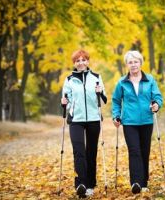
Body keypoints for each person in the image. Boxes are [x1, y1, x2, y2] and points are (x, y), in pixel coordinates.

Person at [112, 50, 163, 194]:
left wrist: (157, 105)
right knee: (134, 151)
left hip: (147, 120)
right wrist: (116, 115)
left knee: (144, 151)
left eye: (136, 61)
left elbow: (158, 97)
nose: (133, 65)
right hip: (129, 122)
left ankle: (144, 182)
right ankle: (136, 182)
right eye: (130, 62)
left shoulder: (150, 80)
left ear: (140, 63)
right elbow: (116, 101)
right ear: (127, 65)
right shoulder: (122, 82)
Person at [61, 50, 107, 197]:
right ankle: (81, 183)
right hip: (76, 120)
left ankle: (90, 184)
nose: (81, 62)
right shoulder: (69, 79)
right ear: (74, 63)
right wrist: (64, 103)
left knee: (91, 152)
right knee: (79, 150)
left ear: (88, 61)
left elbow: (104, 98)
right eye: (77, 60)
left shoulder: (96, 77)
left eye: (83, 60)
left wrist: (100, 91)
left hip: (94, 118)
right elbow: (65, 100)